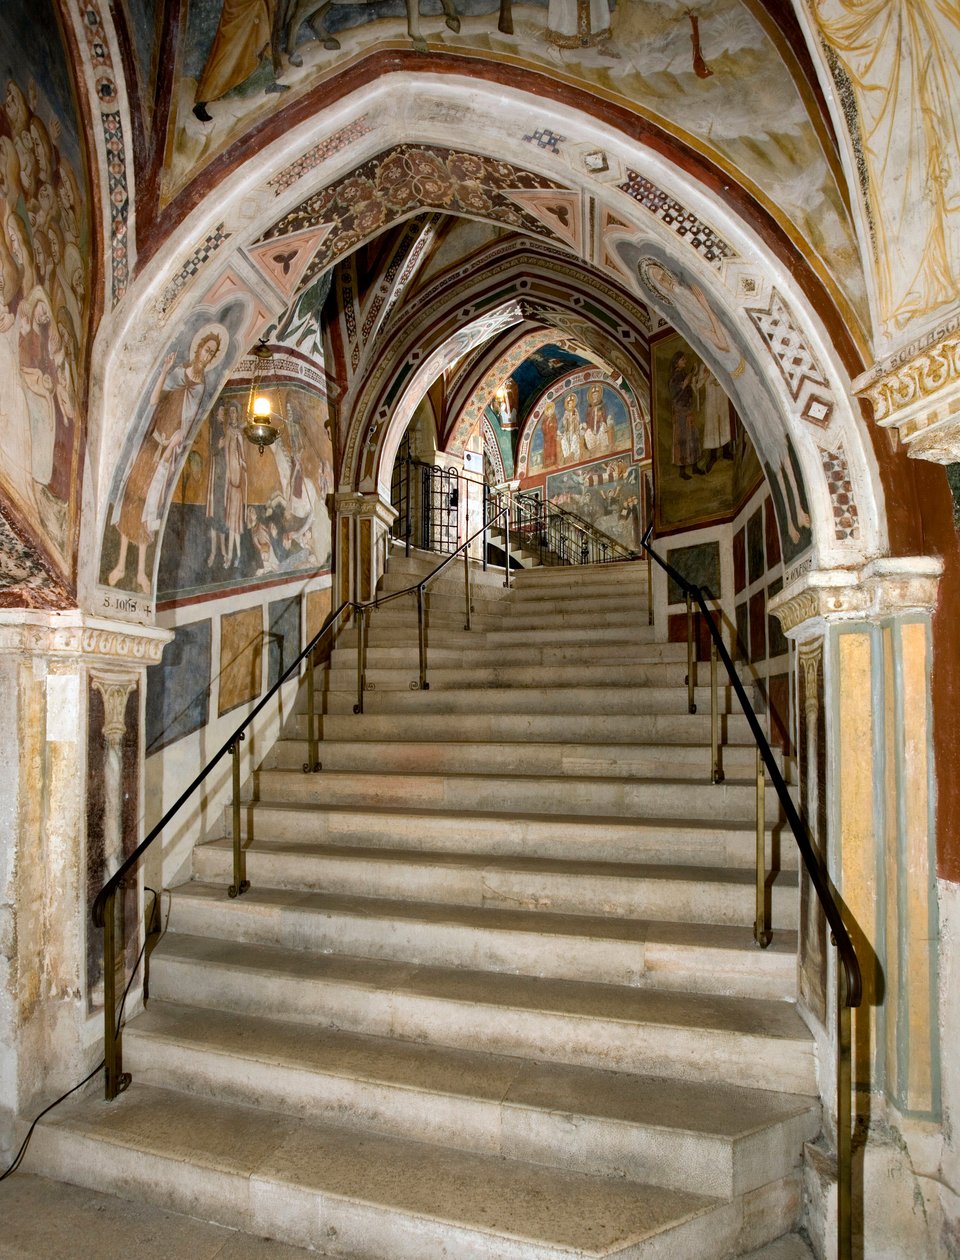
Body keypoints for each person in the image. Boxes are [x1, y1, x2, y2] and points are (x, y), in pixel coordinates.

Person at [109, 326, 226, 593]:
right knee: (131, 497)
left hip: (166, 451)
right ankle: (119, 565)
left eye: (212, 354)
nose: (207, 357)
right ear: (198, 348)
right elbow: (153, 399)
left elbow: (188, 421)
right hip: (151, 442)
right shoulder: (178, 373)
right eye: (206, 350)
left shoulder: (201, 386)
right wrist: (163, 371)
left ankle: (140, 572)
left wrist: (177, 440)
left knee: (148, 506)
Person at [668, 350, 701, 480]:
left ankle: (694, 466)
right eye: (682, 360)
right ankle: (682, 469)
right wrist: (692, 372)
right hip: (680, 410)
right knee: (682, 439)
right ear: (677, 362)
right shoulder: (675, 376)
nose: (685, 361)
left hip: (687, 408)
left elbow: (690, 384)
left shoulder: (683, 373)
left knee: (693, 436)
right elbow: (683, 385)